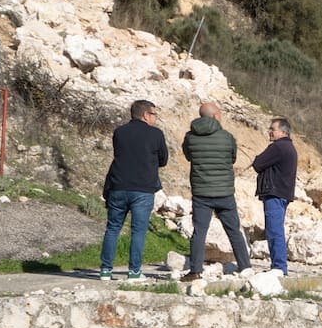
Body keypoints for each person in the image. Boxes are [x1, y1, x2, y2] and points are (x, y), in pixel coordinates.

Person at [181, 101, 251, 280]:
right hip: (224, 192)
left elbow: (188, 156)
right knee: (234, 230)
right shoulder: (227, 137)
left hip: (201, 193)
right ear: (215, 116)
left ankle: (195, 271)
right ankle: (245, 267)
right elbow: (232, 158)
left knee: (199, 232)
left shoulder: (190, 137)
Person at [99, 99, 168, 281]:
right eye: (153, 114)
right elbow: (163, 159)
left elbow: (119, 154)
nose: (154, 118)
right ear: (145, 114)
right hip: (143, 189)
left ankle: (106, 270)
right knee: (138, 230)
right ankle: (134, 271)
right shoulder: (156, 134)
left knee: (113, 228)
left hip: (118, 187)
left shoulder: (119, 132)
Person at [251, 116, 298, 275]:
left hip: (275, 194)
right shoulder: (289, 147)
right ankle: (278, 266)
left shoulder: (278, 147)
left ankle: (279, 267)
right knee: (276, 229)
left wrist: (257, 159)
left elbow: (258, 164)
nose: (270, 132)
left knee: (274, 231)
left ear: (283, 131)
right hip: (283, 194)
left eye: (272, 129)